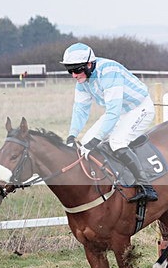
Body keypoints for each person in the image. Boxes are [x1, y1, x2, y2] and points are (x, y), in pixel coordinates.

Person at [61, 42, 158, 201]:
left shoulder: (108, 72)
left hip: (139, 109)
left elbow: (113, 112)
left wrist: (96, 140)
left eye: (77, 70)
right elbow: (80, 110)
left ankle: (147, 187)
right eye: (70, 71)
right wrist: (72, 135)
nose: (74, 75)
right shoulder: (82, 80)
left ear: (89, 64)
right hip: (118, 112)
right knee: (84, 144)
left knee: (116, 142)